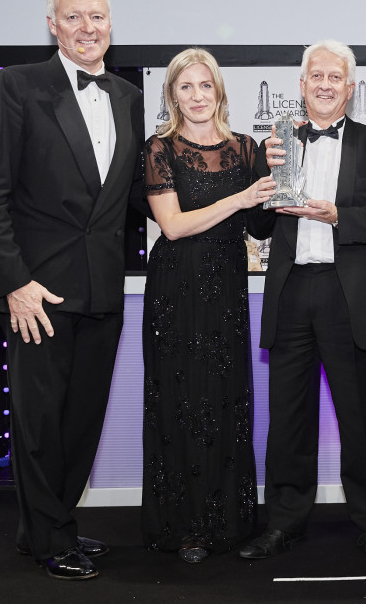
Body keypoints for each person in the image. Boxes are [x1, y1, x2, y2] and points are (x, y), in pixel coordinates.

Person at [0, 0, 144, 580]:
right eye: (75, 17)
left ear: (110, 23)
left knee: (82, 419)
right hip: (36, 291)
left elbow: (135, 197)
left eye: (97, 16)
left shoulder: (125, 95)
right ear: (53, 25)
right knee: (40, 421)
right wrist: (13, 281)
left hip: (101, 287)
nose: (88, 28)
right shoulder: (16, 87)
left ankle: (47, 522)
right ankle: (50, 536)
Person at [239, 40, 366, 560]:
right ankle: (284, 523)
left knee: (360, 415)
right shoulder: (276, 143)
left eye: (334, 77)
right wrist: (261, 181)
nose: (323, 84)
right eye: (314, 76)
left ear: (349, 87)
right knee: (289, 418)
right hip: (292, 290)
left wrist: (340, 215)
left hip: (350, 294)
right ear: (301, 86)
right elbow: (255, 224)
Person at [140, 49, 278, 563]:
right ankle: (187, 527)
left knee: (225, 399)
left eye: (205, 86)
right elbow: (173, 226)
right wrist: (239, 200)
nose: (197, 97)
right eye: (185, 88)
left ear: (219, 90)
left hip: (225, 286)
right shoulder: (160, 148)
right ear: (172, 95)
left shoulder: (246, 148)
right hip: (176, 287)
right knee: (181, 401)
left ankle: (231, 521)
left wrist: (277, 180)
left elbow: (261, 226)